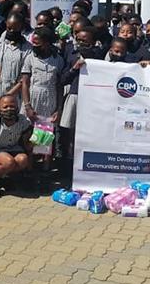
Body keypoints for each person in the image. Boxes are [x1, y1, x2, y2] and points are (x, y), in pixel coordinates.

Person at [60, 27, 103, 174]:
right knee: (68, 132)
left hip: (91, 99)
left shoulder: (99, 57)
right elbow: (63, 79)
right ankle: (67, 164)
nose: (81, 43)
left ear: (93, 42)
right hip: (74, 95)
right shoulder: (71, 55)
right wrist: (74, 68)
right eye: (78, 40)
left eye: (85, 40)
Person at [0, 95, 33, 200]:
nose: (9, 109)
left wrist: (34, 144)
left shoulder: (23, 121)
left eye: (12, 106)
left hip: (14, 148)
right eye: (5, 107)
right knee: (9, 162)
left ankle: (5, 177)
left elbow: (26, 144)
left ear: (17, 107)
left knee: (23, 159)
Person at [0, 12, 31, 109]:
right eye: (9, 28)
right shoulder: (2, 46)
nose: (11, 31)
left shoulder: (28, 49)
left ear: (21, 28)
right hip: (0, 92)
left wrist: (6, 97)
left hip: (17, 95)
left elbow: (23, 79)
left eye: (15, 29)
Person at [21, 27, 65, 126]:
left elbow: (59, 86)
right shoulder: (30, 58)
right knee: (28, 130)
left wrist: (59, 109)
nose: (34, 46)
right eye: (33, 43)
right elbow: (25, 83)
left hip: (50, 100)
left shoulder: (58, 60)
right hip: (32, 99)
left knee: (45, 132)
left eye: (38, 44)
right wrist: (27, 106)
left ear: (47, 43)